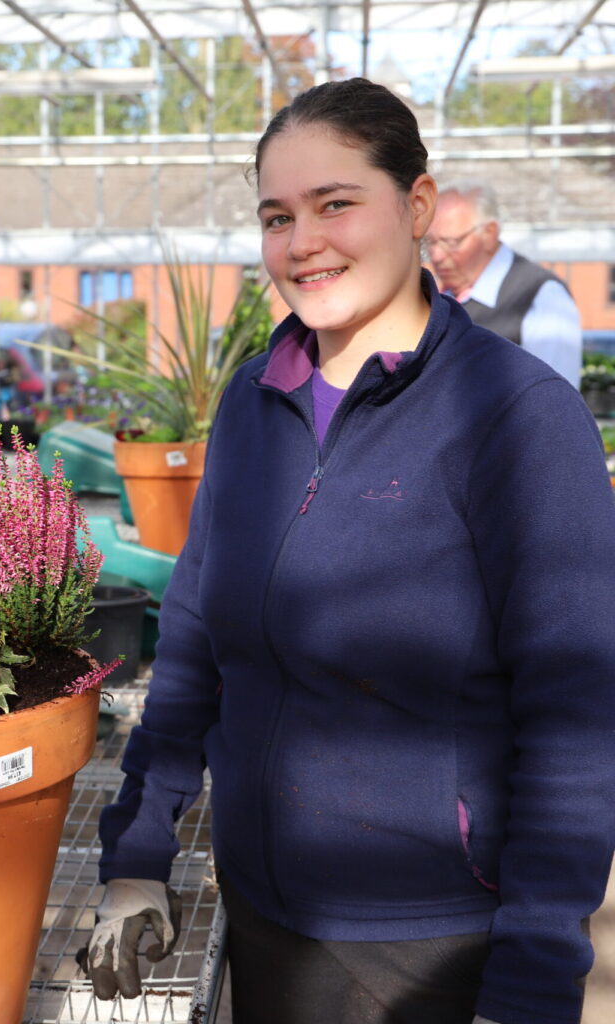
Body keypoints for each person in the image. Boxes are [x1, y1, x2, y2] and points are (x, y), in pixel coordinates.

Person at [80, 78, 615, 1024]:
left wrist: (534, 978)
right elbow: (199, 636)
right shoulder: (253, 399)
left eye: (337, 204)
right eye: (277, 216)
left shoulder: (516, 417)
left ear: (415, 205)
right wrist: (137, 854)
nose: (303, 242)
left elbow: (574, 719)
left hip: (431, 942)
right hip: (267, 911)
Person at [427, 180, 582, 387]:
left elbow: (556, 402)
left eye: (452, 243)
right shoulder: (435, 299)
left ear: (489, 233)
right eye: (430, 242)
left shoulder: (541, 296)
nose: (436, 256)